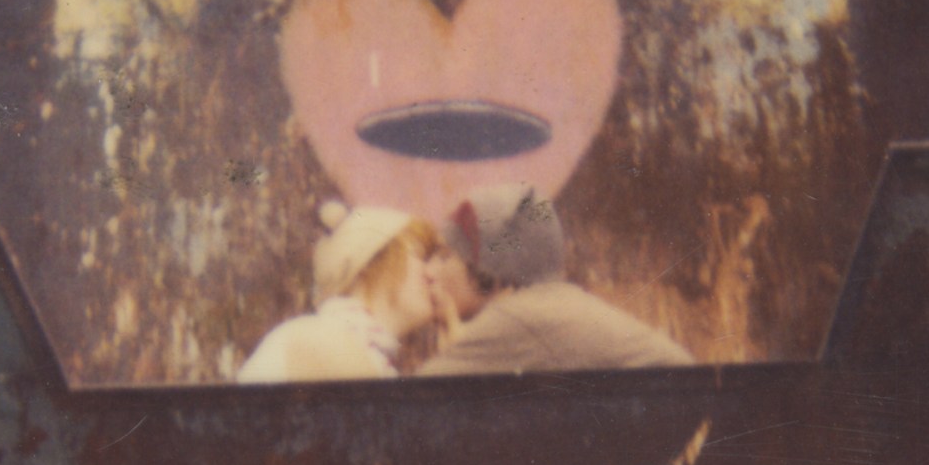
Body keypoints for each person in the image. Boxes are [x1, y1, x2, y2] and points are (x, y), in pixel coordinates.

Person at [419, 183, 695, 375]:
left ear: (490, 268)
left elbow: (408, 411)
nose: (429, 272)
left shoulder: (518, 318)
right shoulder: (552, 302)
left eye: (444, 257)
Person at [237, 202, 444, 383]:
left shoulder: (361, 350)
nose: (432, 273)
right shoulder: (322, 341)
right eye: (421, 256)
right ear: (369, 262)